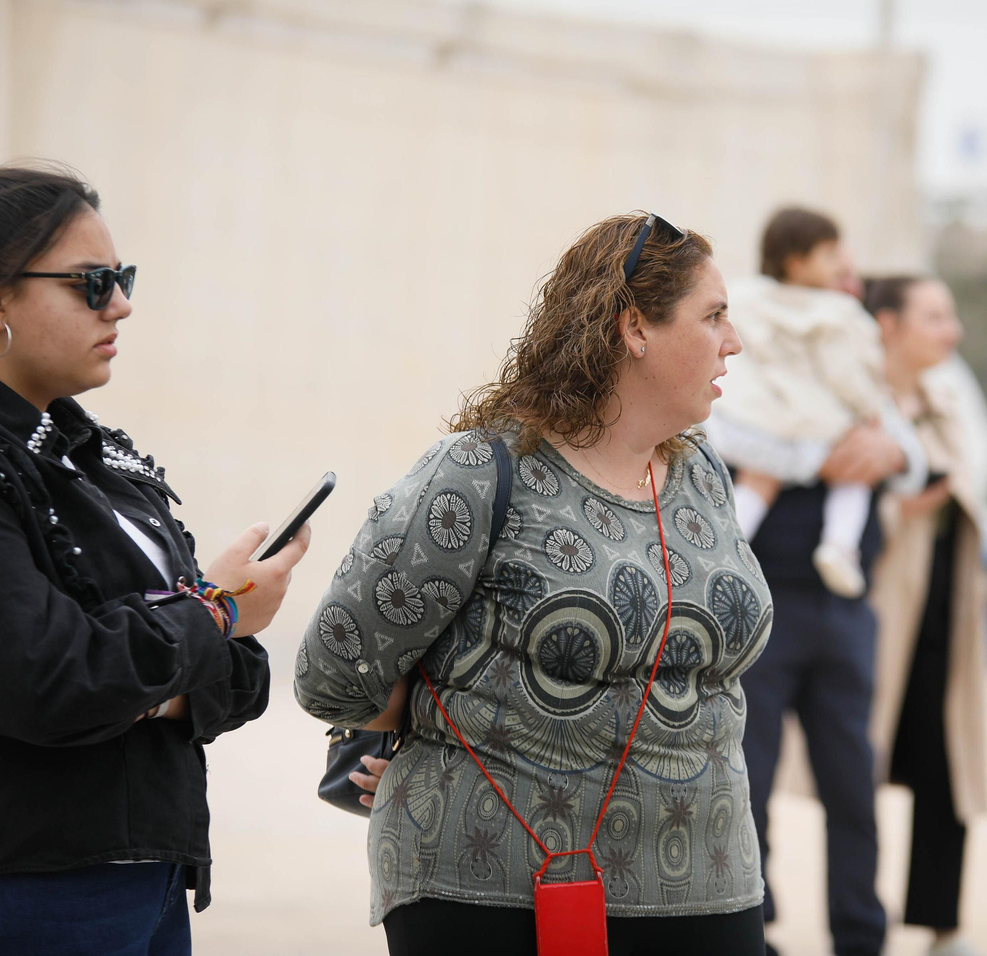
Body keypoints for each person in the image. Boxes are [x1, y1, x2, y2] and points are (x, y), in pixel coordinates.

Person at [0, 160, 311, 956]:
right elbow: (44, 683)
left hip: (148, 879)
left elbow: (240, 680)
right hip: (15, 891)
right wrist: (212, 615)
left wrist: (166, 660)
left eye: (120, 277)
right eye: (92, 283)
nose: (121, 303)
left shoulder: (94, 456)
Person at [294, 213, 770, 955]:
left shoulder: (703, 473)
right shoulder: (478, 471)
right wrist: (446, 716)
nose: (734, 342)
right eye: (713, 318)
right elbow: (332, 672)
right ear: (635, 329)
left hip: (712, 882)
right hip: (501, 887)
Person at [730, 213, 928, 956]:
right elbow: (727, 432)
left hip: (846, 610)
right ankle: (756, 930)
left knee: (854, 786)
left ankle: (860, 934)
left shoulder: (849, 360)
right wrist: (822, 459)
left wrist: (876, 446)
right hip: (764, 607)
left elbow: (911, 460)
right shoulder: (752, 347)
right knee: (748, 781)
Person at [860, 275, 987, 956]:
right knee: (853, 768)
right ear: (888, 324)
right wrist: (895, 510)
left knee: (947, 766)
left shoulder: (950, 396)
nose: (952, 331)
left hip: (947, 604)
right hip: (876, 606)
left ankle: (943, 924)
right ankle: (855, 920)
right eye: (936, 317)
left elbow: (976, 474)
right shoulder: (855, 396)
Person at [710, 207, 912, 599]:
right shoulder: (836, 311)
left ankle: (724, 551)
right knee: (854, 474)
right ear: (797, 262)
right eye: (832, 255)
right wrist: (870, 406)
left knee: (758, 481)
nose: (842, 265)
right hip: (820, 419)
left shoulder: (745, 296)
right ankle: (839, 546)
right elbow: (846, 372)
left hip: (762, 415)